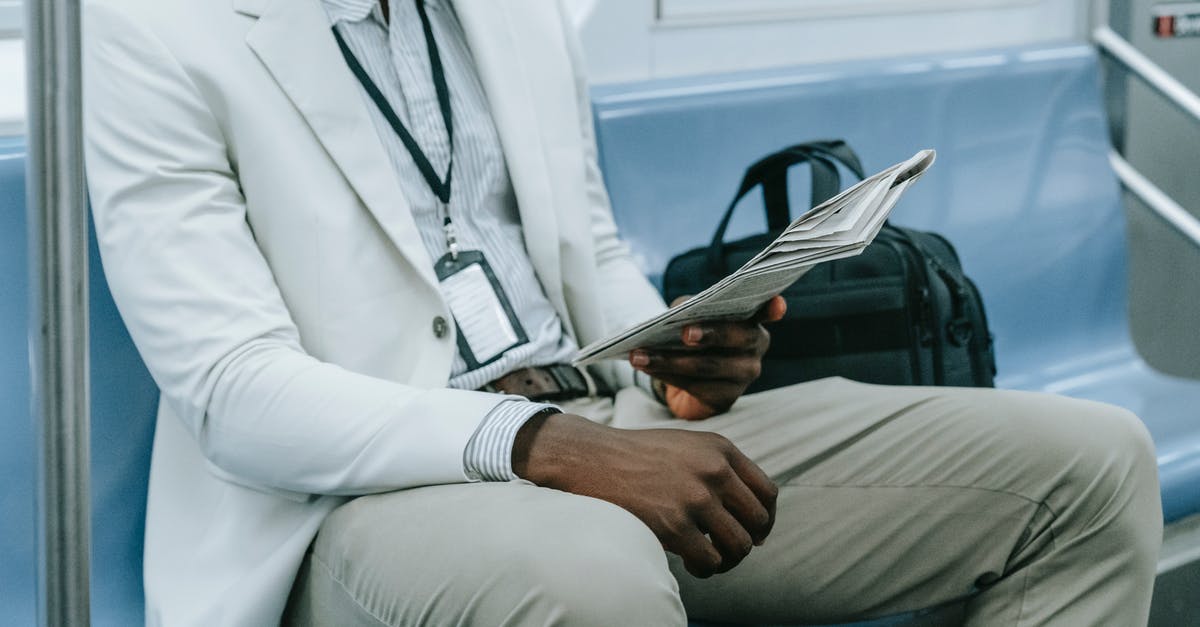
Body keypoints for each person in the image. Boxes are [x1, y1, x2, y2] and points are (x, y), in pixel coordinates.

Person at [82, 0, 1163, 625]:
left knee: (1090, 469)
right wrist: (546, 446)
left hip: (597, 416)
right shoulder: (152, 26)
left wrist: (675, 344)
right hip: (354, 496)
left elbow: (583, 247)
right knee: (593, 580)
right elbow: (234, 392)